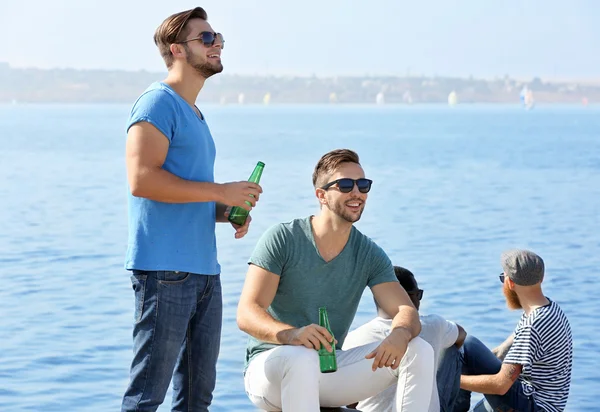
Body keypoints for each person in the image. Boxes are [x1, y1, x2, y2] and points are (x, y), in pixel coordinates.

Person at [121, 7, 263, 412]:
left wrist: (224, 208)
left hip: (204, 273)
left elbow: (182, 191)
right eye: (206, 38)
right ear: (176, 50)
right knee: (147, 396)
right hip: (165, 272)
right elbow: (142, 180)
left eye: (217, 36)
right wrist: (221, 189)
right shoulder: (157, 103)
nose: (216, 43)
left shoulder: (195, 114)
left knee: (196, 398)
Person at [237, 149, 434, 412]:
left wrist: (400, 332)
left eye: (363, 185)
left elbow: (405, 309)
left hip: (327, 371)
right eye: (345, 185)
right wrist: (293, 335)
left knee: (418, 349)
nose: (357, 193)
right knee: (301, 358)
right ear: (321, 195)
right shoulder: (283, 238)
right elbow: (247, 314)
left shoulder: (368, 253)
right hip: (269, 369)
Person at [455, 249, 573, 412]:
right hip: (543, 402)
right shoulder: (550, 309)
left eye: (502, 278)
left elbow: (501, 385)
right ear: (541, 278)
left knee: (466, 344)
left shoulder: (532, 325)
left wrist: (453, 380)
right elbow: (503, 351)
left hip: (534, 406)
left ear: (510, 283)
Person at [343, 266, 467, 412]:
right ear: (406, 297)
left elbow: (350, 402)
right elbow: (462, 335)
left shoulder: (353, 338)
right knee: (454, 349)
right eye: (418, 294)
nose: (420, 300)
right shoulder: (433, 325)